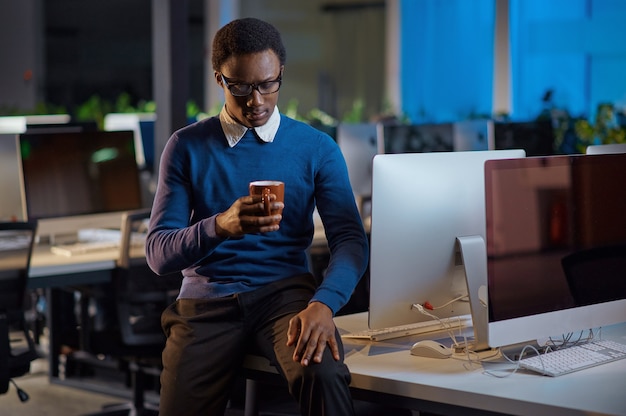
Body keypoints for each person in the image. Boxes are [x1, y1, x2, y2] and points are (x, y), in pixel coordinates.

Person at [145, 17, 369, 416]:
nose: (257, 101)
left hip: (285, 297)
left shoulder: (315, 147)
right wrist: (220, 226)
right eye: (242, 87)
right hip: (207, 302)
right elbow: (158, 254)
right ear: (220, 79)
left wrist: (325, 304)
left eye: (268, 84)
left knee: (325, 375)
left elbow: (350, 241)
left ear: (280, 72)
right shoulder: (186, 146)